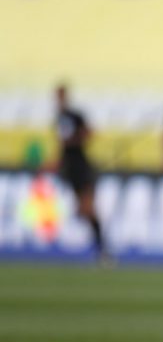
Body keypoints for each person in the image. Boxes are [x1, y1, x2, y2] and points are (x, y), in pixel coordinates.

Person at [53, 83, 109, 263]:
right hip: (71, 171)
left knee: (87, 210)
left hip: (82, 167)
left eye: (61, 95)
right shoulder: (59, 118)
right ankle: (102, 250)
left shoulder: (74, 115)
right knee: (86, 212)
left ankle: (103, 251)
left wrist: (75, 140)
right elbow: (61, 146)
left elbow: (89, 133)